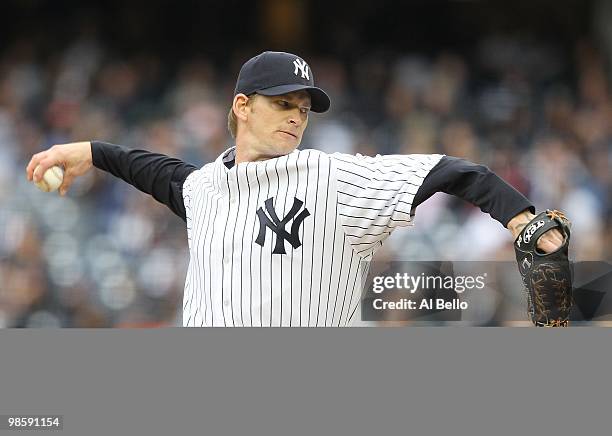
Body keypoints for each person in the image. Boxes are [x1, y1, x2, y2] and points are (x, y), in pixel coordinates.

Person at [26, 51, 565, 327]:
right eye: (283, 104)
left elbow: (453, 171)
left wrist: (520, 218)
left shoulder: (332, 177)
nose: (295, 119)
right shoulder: (205, 188)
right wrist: (89, 152)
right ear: (243, 106)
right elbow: (151, 170)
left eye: (302, 110)